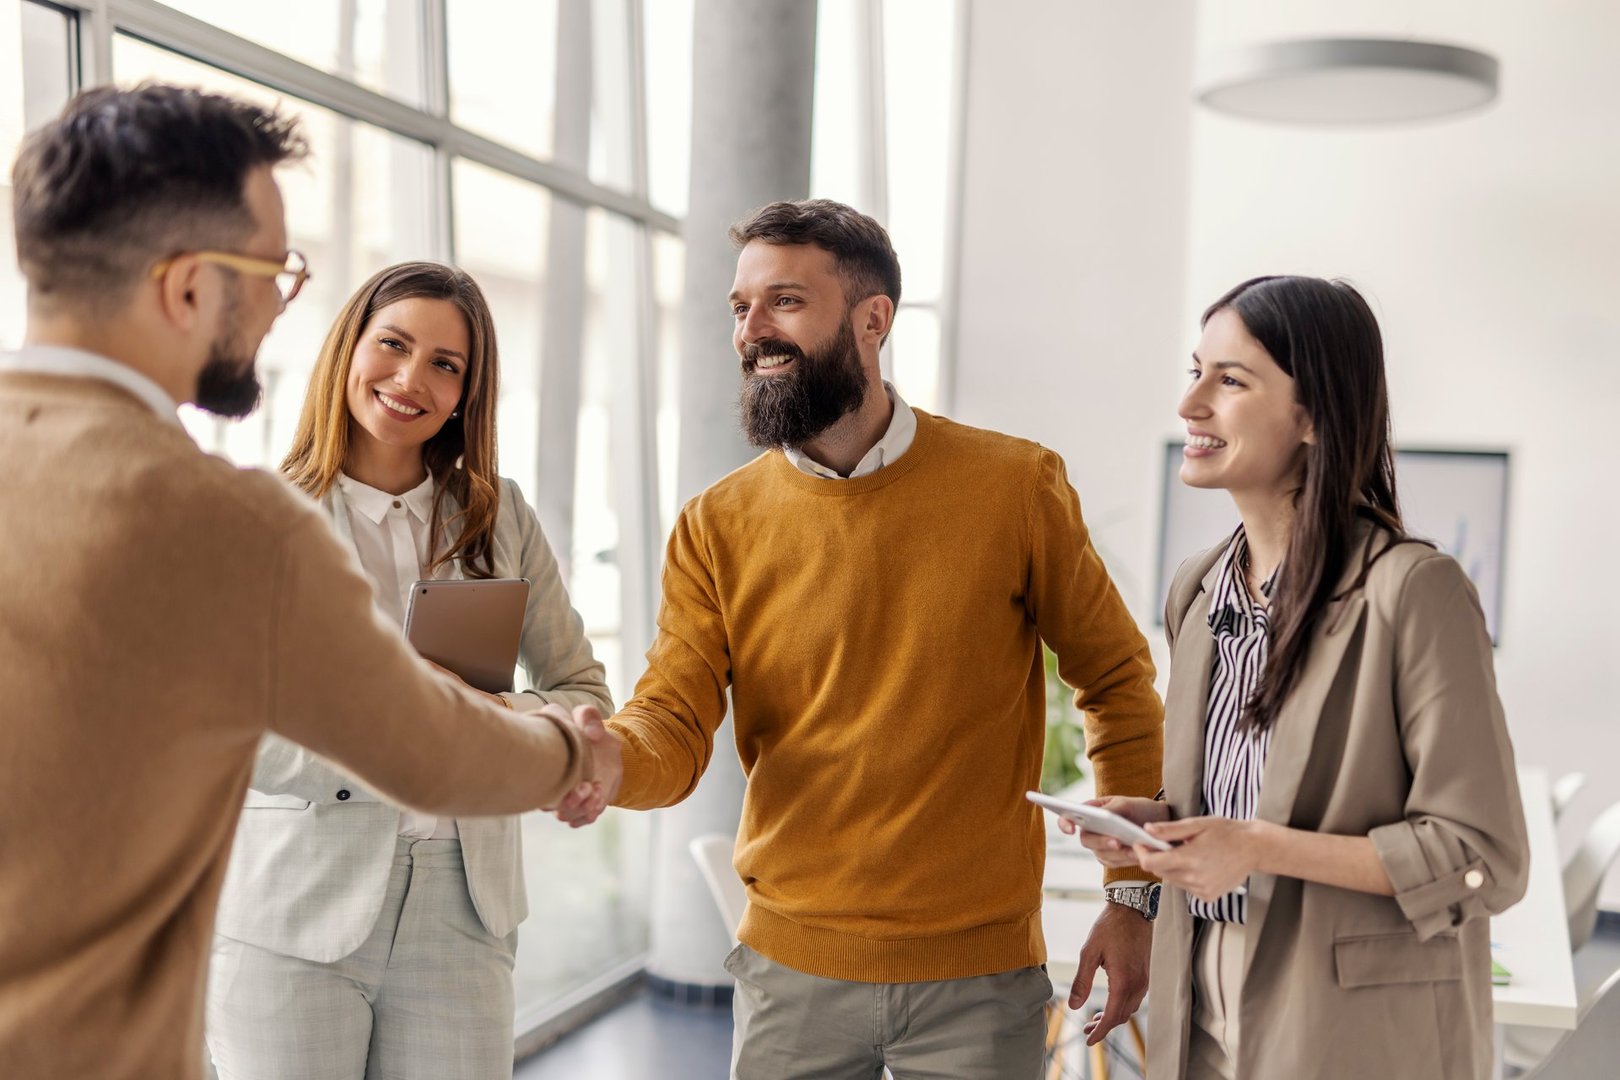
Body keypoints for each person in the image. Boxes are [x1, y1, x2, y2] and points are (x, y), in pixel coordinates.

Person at [0, 85, 616, 1080]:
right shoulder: (235, 523)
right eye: (273, 271)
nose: (281, 300)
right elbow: (426, 748)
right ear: (189, 286)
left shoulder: (480, 513)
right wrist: (563, 747)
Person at [557, 199, 1165, 1078]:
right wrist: (608, 758)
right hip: (790, 981)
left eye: (785, 302)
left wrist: (1131, 897)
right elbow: (674, 723)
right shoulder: (714, 525)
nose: (751, 331)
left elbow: (1116, 681)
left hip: (980, 982)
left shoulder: (1014, 486)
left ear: (872, 320)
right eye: (740, 307)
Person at [1069, 275, 1529, 1079]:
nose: (1190, 406)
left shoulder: (1413, 591)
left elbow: (1481, 854)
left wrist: (1254, 848)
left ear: (1313, 415)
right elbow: (1250, 799)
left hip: (1349, 1021)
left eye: (1232, 380)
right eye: (1195, 371)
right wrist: (1158, 825)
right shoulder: (1201, 587)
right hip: (1200, 1003)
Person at [204, 261, 613, 1079]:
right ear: (348, 349)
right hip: (293, 908)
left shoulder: (500, 516)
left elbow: (579, 691)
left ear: (467, 391)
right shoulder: (255, 518)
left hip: (464, 910)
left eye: (445, 364)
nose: (410, 378)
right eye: (392, 345)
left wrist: (492, 718)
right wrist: (414, 747)